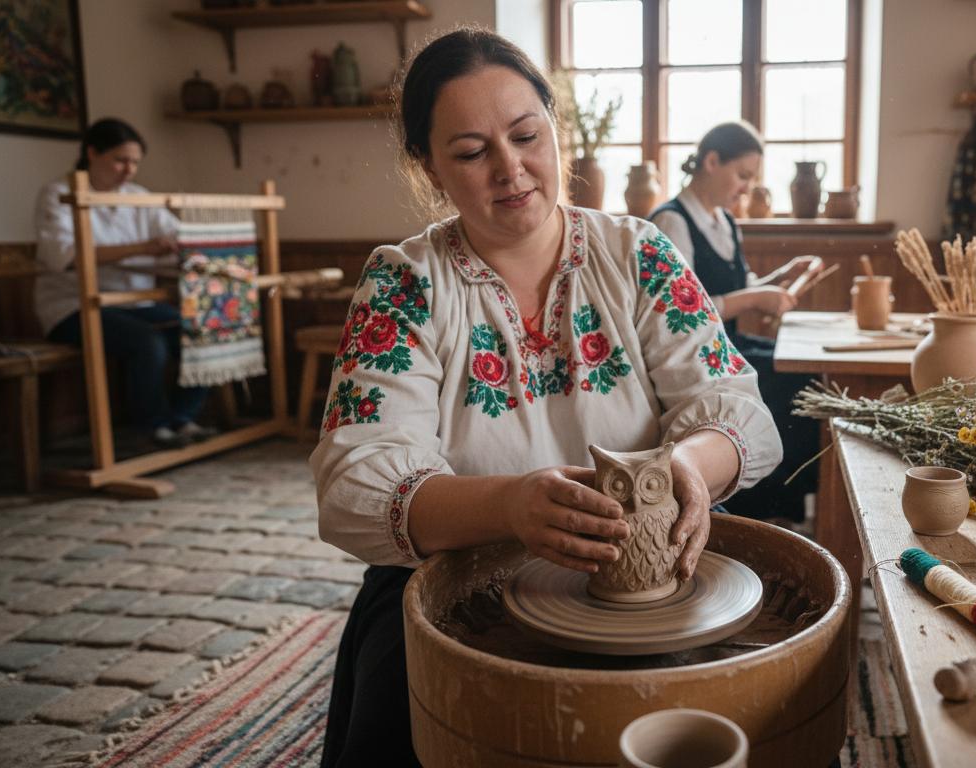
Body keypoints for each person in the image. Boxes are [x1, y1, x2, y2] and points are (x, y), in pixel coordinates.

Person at [309, 29, 781, 767]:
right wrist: (510, 506)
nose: (511, 169)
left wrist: (688, 466)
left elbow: (734, 407)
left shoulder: (639, 256)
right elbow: (355, 480)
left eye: (527, 136)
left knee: (751, 715)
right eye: (472, 152)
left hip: (650, 570)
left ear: (555, 128)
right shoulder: (405, 284)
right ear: (429, 168)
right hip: (455, 577)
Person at [650, 122, 821, 524]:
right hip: (696, 357)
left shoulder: (724, 221)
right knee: (792, 382)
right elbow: (683, 312)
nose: (746, 188)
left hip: (729, 344)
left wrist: (780, 277)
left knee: (808, 371)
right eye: (742, 175)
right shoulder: (672, 222)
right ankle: (755, 510)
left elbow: (737, 287)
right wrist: (760, 298)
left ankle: (785, 508)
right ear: (711, 162)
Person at [35, 117, 213, 448]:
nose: (129, 170)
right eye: (120, 160)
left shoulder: (138, 197)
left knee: (202, 332)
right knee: (147, 343)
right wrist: (142, 248)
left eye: (135, 162)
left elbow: (178, 235)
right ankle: (153, 428)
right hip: (72, 307)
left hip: (135, 303)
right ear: (92, 153)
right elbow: (66, 255)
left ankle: (182, 418)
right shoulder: (59, 194)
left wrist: (201, 251)